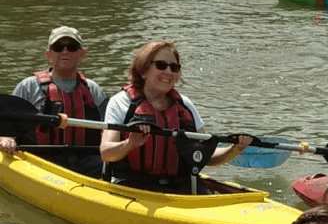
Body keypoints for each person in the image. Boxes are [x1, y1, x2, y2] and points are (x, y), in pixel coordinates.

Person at [99, 40, 251, 194]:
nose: (168, 72)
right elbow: (106, 153)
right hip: (132, 186)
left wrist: (234, 149)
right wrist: (129, 143)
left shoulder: (185, 105)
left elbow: (207, 157)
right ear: (143, 71)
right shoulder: (121, 102)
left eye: (174, 67)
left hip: (180, 186)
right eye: (161, 65)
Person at [0, 26, 107, 177]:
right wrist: (5, 137)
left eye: (71, 47)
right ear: (49, 54)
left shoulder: (92, 89)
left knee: (108, 167)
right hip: (40, 160)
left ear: (81, 54)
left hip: (86, 160)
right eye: (58, 47)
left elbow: (108, 130)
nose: (65, 52)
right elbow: (8, 122)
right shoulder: (29, 87)